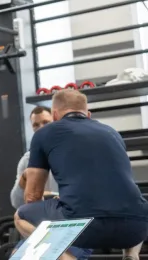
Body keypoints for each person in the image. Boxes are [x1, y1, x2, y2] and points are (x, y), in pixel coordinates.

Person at [16, 89, 148, 260]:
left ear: (55, 115)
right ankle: (131, 256)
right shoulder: (112, 133)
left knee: (20, 215)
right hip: (136, 228)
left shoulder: (44, 134)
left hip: (83, 226)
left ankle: (66, 258)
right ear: (88, 114)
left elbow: (33, 197)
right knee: (135, 206)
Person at [10, 106, 58, 209]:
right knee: (19, 217)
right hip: (41, 212)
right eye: (36, 125)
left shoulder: (66, 153)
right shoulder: (26, 160)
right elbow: (16, 202)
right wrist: (24, 178)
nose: (41, 128)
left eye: (46, 122)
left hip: (65, 212)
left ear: (55, 122)